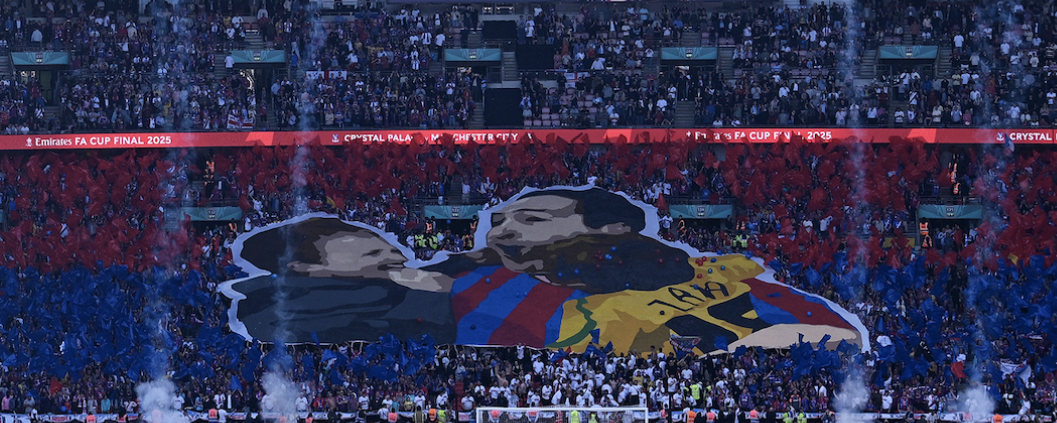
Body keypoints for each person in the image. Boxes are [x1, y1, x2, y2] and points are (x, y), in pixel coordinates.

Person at [427, 187, 862, 353]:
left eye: (532, 220)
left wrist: (728, 351)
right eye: (499, 221)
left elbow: (836, 332)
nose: (503, 231)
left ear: (614, 228)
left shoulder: (713, 276)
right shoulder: (478, 289)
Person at [225, 217, 455, 344]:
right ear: (306, 269)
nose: (396, 257)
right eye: (372, 255)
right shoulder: (282, 320)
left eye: (390, 249)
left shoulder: (420, 294)